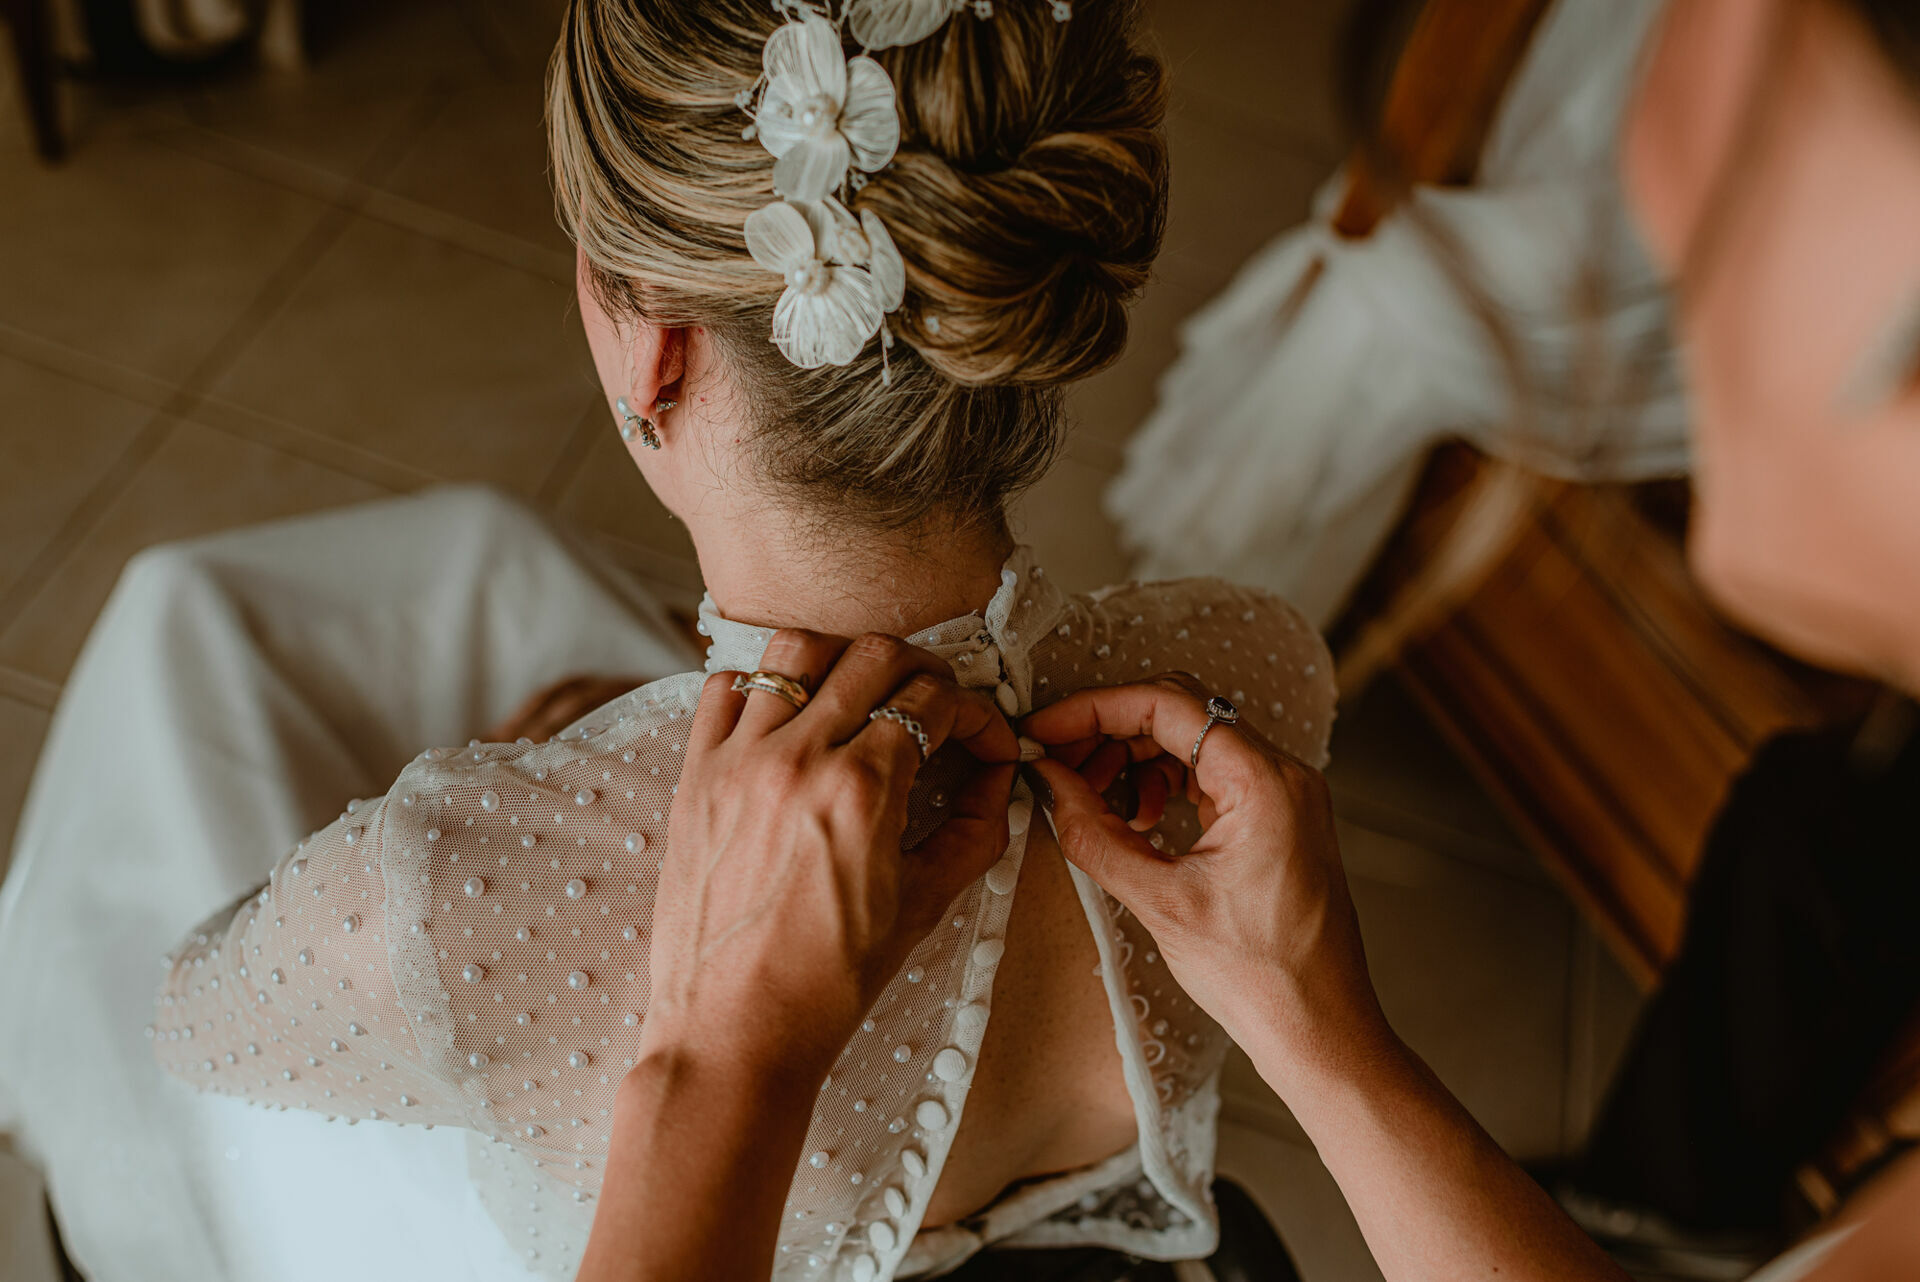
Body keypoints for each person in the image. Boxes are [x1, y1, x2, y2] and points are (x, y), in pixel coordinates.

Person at [0, 2, 1343, 1281]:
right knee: (485, 556)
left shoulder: (441, 877)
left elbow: (194, 1017)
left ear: (649, 348)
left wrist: (535, 796)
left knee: (177, 639)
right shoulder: (1243, 693)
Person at [579, 0, 1920, 1277]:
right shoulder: (1251, 664)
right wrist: (1328, 1036)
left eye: (1766, 63)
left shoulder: (420, 885)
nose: (1639, 137)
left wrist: (718, 1070)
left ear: (654, 347)